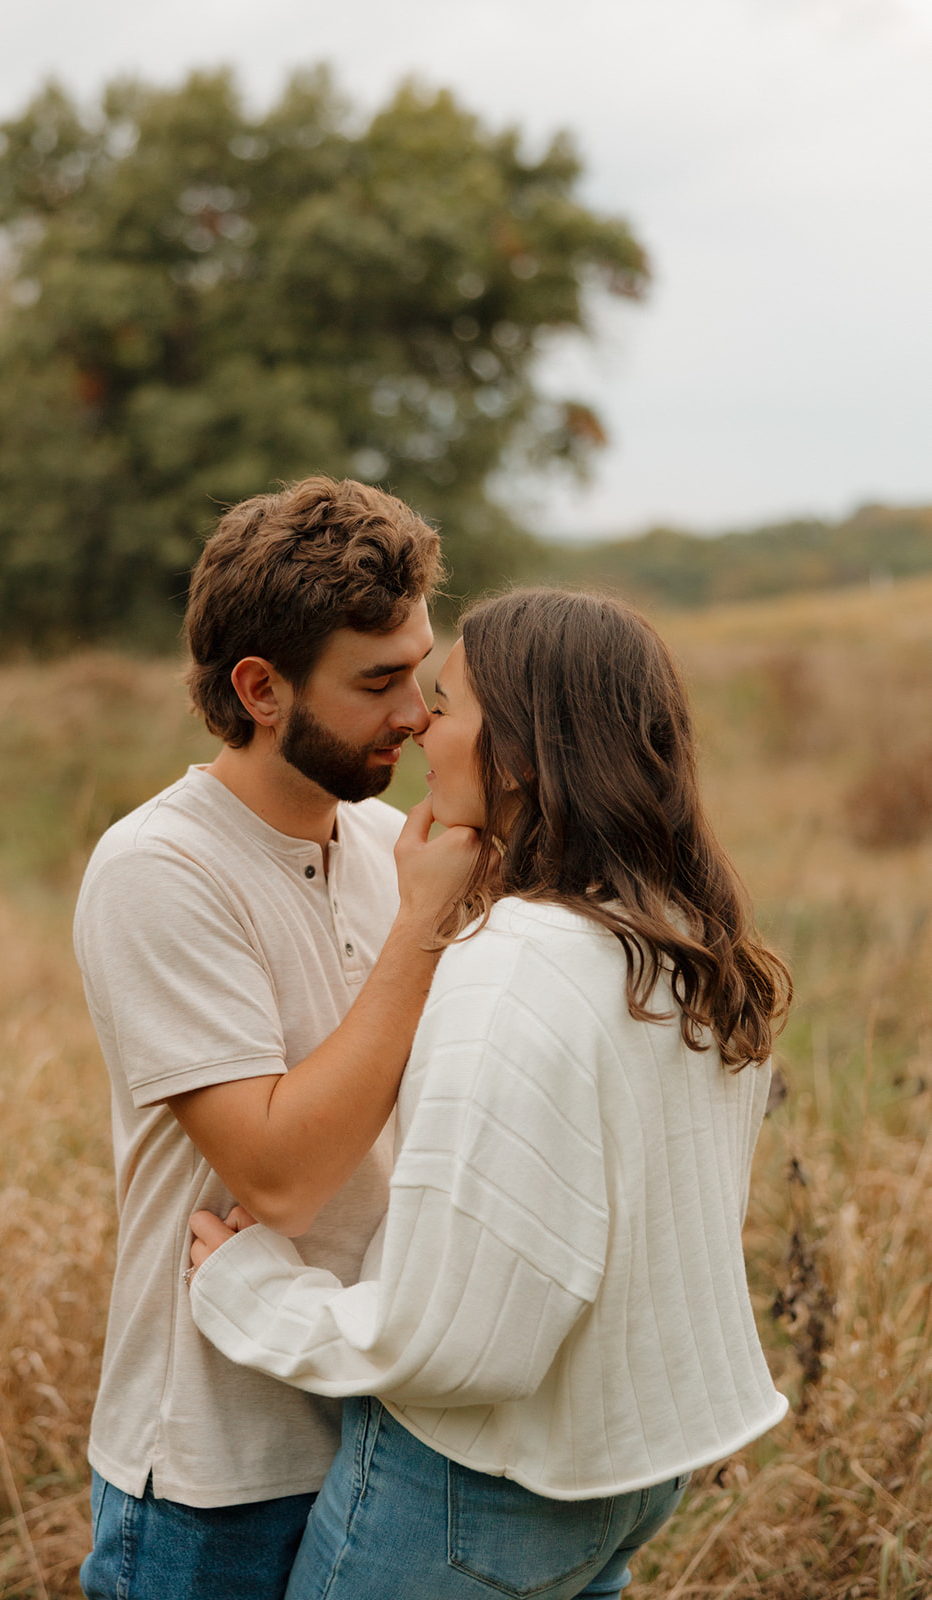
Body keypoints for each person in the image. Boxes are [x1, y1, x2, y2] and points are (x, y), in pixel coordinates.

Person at [186, 587, 793, 1600]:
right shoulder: (674, 939)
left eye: (450, 700)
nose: (421, 720)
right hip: (624, 1472)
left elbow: (463, 1338)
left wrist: (258, 1294)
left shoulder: (511, 962)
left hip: (474, 1490)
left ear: (516, 752)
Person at [74, 477, 480, 1600]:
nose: (417, 713)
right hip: (213, 1475)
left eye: (422, 672)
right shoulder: (160, 869)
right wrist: (423, 924)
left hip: (380, 1437)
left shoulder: (395, 839)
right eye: (377, 681)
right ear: (260, 687)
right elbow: (284, 1177)